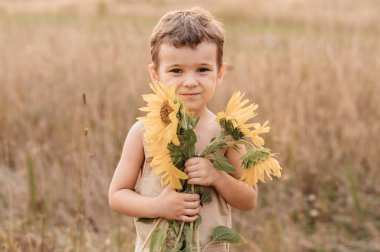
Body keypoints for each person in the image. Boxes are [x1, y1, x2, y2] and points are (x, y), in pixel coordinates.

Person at [108, 7, 258, 252]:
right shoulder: (143, 131)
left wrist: (217, 176)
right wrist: (159, 206)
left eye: (202, 69)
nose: (190, 82)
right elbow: (117, 195)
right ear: (156, 75)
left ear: (220, 72)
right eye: (176, 70)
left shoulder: (227, 134)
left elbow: (249, 199)